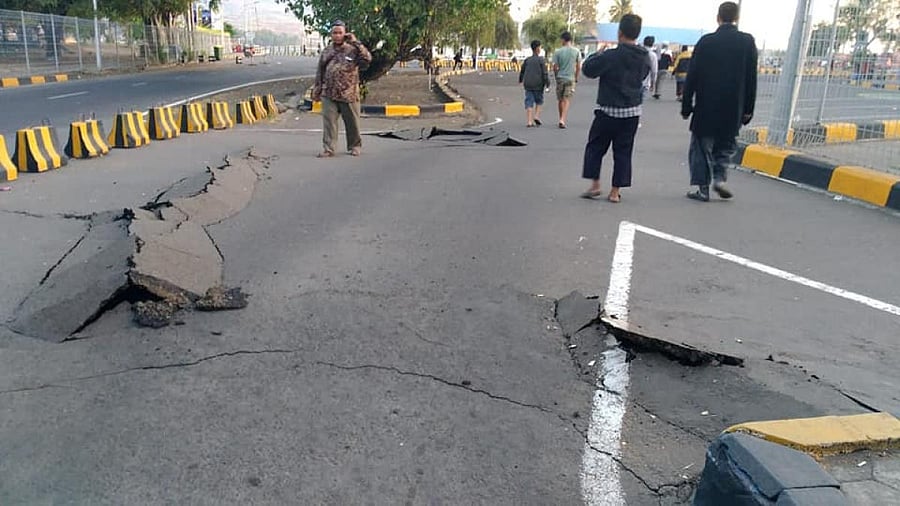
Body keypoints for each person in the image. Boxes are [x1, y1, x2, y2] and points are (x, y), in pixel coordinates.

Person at [681, 1, 758, 201]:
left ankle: (703, 189)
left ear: (718, 18)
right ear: (737, 18)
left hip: (706, 106)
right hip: (734, 107)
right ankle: (719, 179)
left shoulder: (706, 42)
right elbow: (751, 78)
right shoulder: (747, 42)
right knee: (725, 146)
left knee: (701, 148)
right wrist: (748, 109)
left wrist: (686, 105)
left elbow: (692, 76)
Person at [580, 14, 651, 203]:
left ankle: (595, 185)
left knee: (595, 147)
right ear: (637, 33)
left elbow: (588, 70)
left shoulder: (611, 56)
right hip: (632, 112)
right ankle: (615, 192)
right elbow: (644, 76)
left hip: (608, 111)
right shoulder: (644, 56)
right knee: (623, 152)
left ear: (620, 33)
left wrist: (598, 54)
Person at [311, 20, 372, 158]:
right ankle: (329, 148)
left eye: (340, 33)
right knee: (329, 123)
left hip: (348, 93)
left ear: (345, 34)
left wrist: (356, 42)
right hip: (329, 93)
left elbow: (367, 59)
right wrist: (317, 89)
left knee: (352, 123)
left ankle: (355, 146)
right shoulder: (327, 51)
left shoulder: (353, 50)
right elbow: (320, 71)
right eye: (335, 33)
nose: (337, 35)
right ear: (331, 34)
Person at [552, 31, 581, 129]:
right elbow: (578, 66)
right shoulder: (576, 51)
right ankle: (562, 119)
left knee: (560, 99)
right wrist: (576, 77)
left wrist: (556, 76)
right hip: (570, 78)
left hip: (560, 77)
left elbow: (555, 67)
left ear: (563, 40)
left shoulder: (558, 52)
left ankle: (561, 117)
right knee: (566, 99)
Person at [519, 40, 550, 127]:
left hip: (528, 84)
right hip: (538, 84)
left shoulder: (527, 60)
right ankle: (536, 116)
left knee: (529, 101)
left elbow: (522, 71)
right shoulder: (541, 60)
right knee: (539, 101)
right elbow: (544, 73)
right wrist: (547, 83)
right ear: (537, 49)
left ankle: (529, 121)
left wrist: (520, 80)